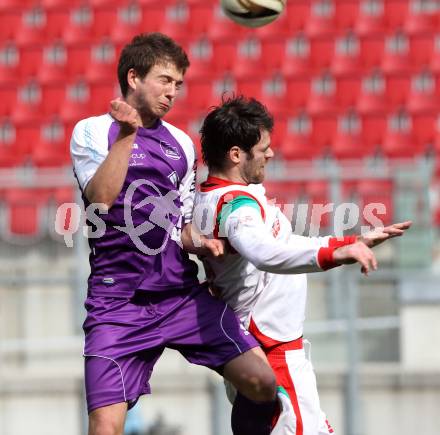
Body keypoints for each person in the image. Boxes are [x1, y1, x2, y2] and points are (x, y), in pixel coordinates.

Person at [70, 34, 280, 435]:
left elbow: (179, 227)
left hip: (179, 295)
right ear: (133, 77)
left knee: (262, 383)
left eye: (178, 84)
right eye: (165, 80)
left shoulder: (181, 144)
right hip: (118, 304)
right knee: (105, 427)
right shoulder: (92, 132)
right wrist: (127, 134)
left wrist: (204, 244)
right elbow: (99, 201)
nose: (173, 92)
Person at [193, 95, 412, 435]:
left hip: (268, 350)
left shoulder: (228, 195)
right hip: (271, 353)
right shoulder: (237, 207)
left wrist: (347, 243)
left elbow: (283, 244)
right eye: (263, 147)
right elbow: (265, 253)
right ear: (236, 154)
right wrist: (336, 255)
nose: (271, 153)